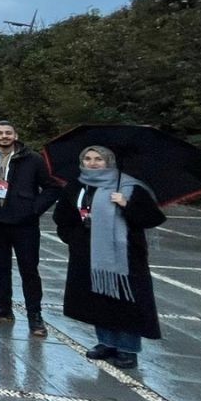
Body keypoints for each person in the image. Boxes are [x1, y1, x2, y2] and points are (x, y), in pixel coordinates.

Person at [52, 145, 165, 369]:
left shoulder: (129, 186)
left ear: (109, 162)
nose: (93, 163)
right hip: (88, 253)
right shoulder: (77, 185)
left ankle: (128, 349)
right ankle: (107, 342)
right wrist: (74, 238)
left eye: (99, 159)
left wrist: (126, 204)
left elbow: (153, 218)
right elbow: (62, 216)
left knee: (126, 301)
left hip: (125, 257)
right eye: (88, 159)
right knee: (99, 299)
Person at [0, 121, 62, 337]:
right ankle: (3, 306)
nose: (4, 136)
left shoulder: (32, 159)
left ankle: (34, 314)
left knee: (29, 270)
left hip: (24, 224)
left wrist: (33, 210)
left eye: (8, 133)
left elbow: (52, 187)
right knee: (0, 267)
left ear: (16, 135)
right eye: (0, 133)